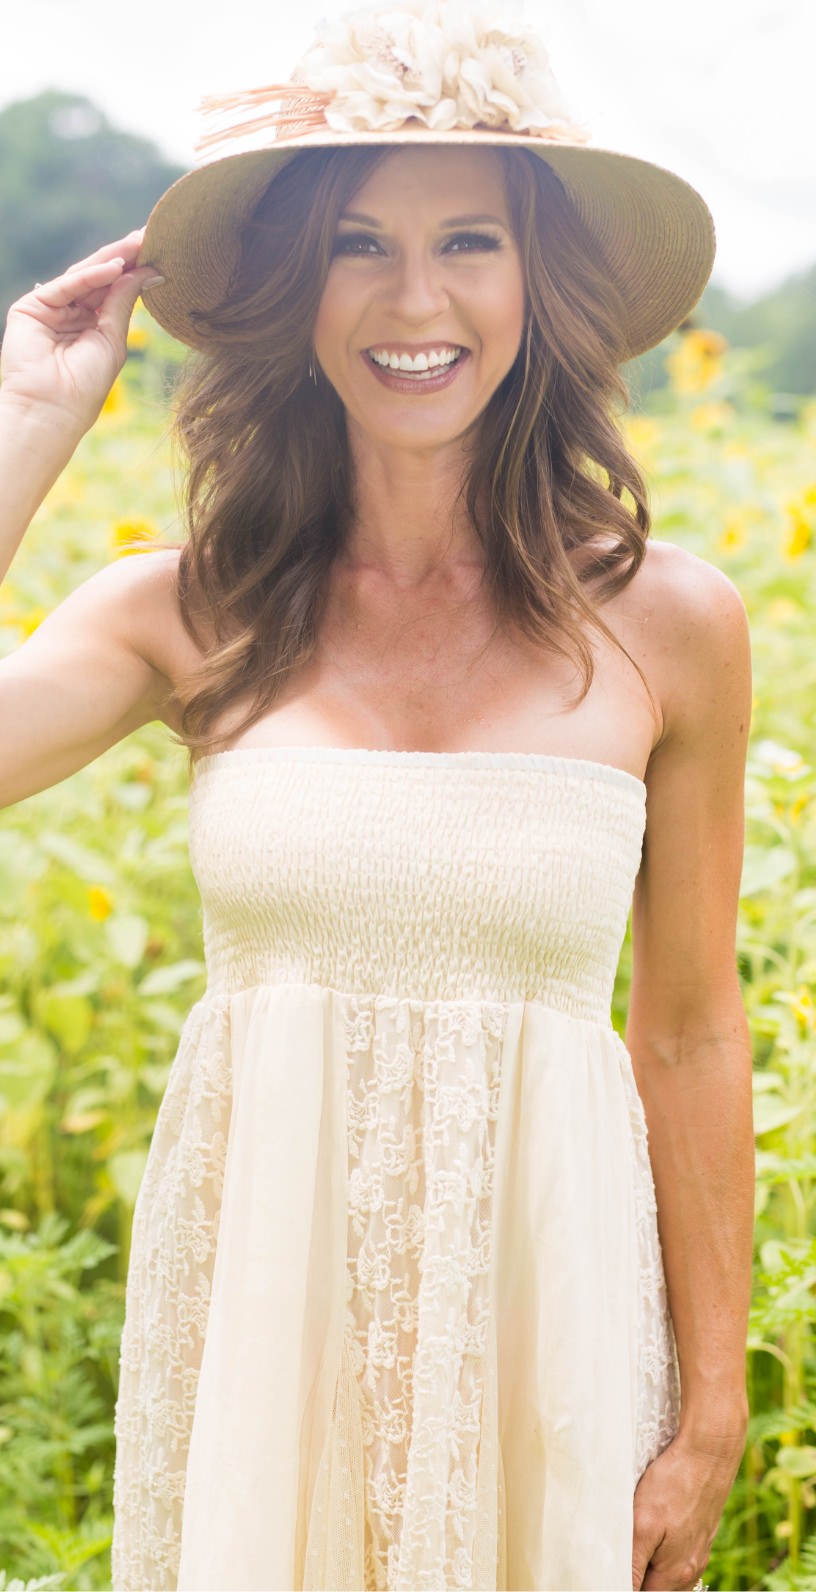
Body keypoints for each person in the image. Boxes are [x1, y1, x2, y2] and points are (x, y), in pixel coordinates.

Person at [0, 3, 754, 1589]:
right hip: (262, 1336)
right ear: (299, 290)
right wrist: (25, 427)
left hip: (546, 1333)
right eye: (358, 244)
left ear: (538, 283)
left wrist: (710, 1415)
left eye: (468, 239)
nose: (416, 299)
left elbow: (686, 1029)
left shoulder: (671, 620)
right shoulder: (187, 609)